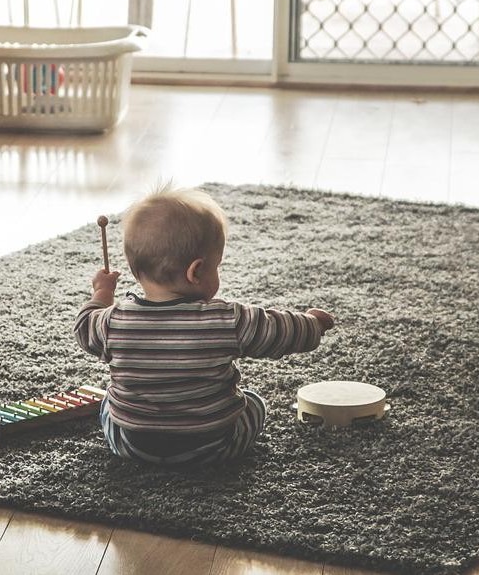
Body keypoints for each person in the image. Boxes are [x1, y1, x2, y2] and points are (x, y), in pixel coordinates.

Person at [74, 186, 334, 466]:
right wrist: (313, 324)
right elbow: (279, 330)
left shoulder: (112, 322)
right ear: (196, 271)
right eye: (217, 266)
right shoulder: (227, 319)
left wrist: (101, 293)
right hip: (213, 445)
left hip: (132, 445)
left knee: (107, 403)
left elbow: (84, 327)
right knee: (255, 403)